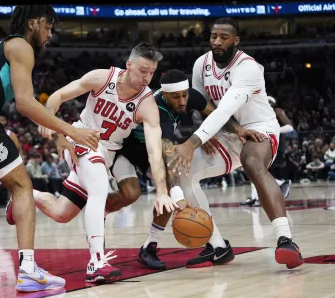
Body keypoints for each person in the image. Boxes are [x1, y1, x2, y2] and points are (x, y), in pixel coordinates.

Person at [0, 5, 100, 292]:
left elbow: (26, 106)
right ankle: (28, 270)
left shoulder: (2, 48)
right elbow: (24, 103)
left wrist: (58, 131)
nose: (51, 34)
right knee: (22, 185)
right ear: (34, 23)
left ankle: (28, 269)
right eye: (48, 27)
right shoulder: (22, 46)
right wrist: (71, 129)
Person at [30, 69, 253, 270]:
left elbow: (213, 112)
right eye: (176, 97)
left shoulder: (189, 95)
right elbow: (165, 153)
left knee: (64, 212)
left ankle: (150, 246)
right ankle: (101, 215)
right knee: (138, 193)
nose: (182, 100)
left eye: (184, 95)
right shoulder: (158, 109)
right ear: (164, 95)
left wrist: (236, 129)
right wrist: (175, 193)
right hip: (124, 151)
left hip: (147, 152)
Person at [11, 42, 178, 283]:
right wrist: (52, 127)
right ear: (128, 65)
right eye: (142, 70)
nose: (146, 77)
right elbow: (57, 97)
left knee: (62, 213)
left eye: (151, 72)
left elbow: (154, 152)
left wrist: (162, 192)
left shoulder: (147, 103)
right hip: (82, 139)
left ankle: (24, 197)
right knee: (99, 186)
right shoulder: (102, 77)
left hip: (108, 153)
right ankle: (96, 263)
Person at [167, 17, 303, 270]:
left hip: (258, 129)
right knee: (183, 171)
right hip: (225, 133)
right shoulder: (201, 64)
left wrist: (194, 141)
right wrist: (204, 133)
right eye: (213, 36)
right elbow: (202, 105)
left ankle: (286, 240)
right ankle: (217, 246)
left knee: (252, 162)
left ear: (235, 41)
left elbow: (225, 108)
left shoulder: (248, 68)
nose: (216, 41)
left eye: (223, 37)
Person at [241, 96, 293, 206]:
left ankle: (282, 183)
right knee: (253, 168)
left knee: (256, 169)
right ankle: (254, 197)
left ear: (273, 104)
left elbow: (290, 127)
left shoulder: (277, 112)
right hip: (261, 144)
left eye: (269, 102)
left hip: (276, 145)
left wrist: (273, 129)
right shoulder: (258, 113)